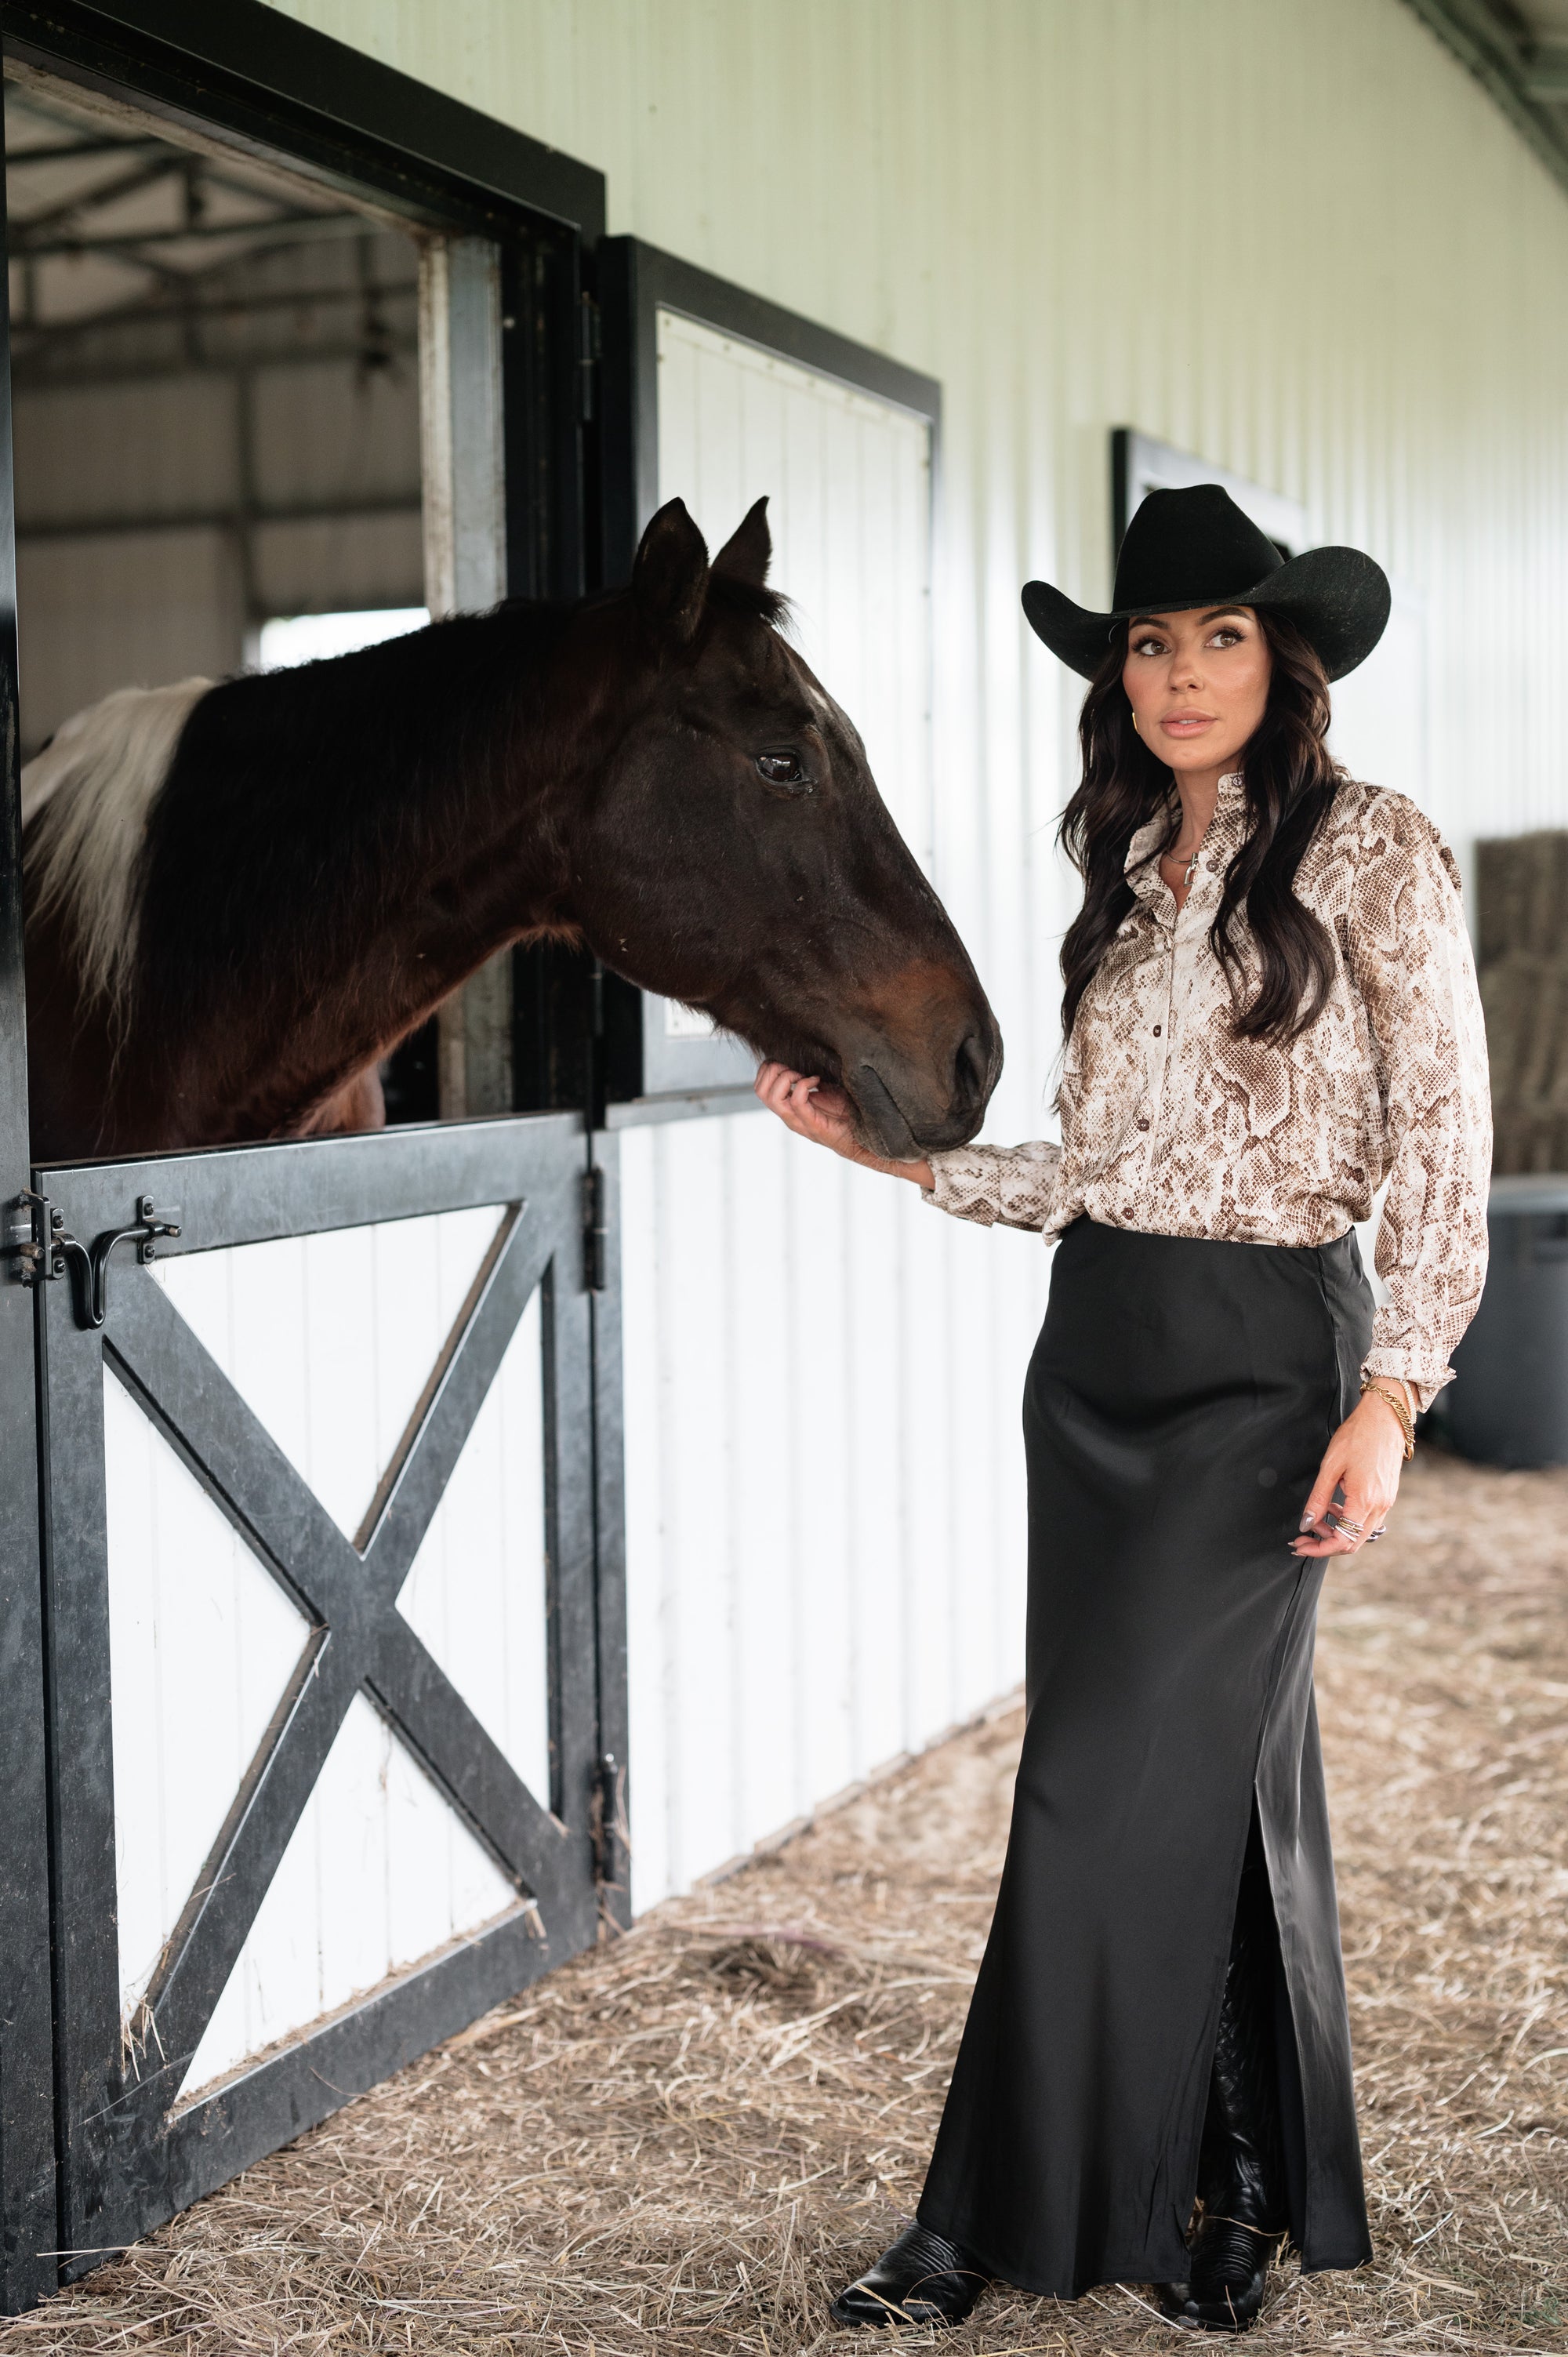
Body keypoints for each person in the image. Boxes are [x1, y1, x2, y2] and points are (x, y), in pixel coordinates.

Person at [754, 485, 1491, 2336]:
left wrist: (1397, 1392)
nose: (1178, 673)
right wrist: (898, 1159)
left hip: (1265, 1366)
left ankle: (980, 2221)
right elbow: (1097, 1173)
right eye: (1150, 643)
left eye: (1217, 636)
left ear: (1282, 659)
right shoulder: (1128, 864)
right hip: (1094, 1360)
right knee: (1190, 1780)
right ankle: (1232, 2183)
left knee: (1087, 1788)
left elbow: (1443, 1136)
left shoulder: (1376, 848)